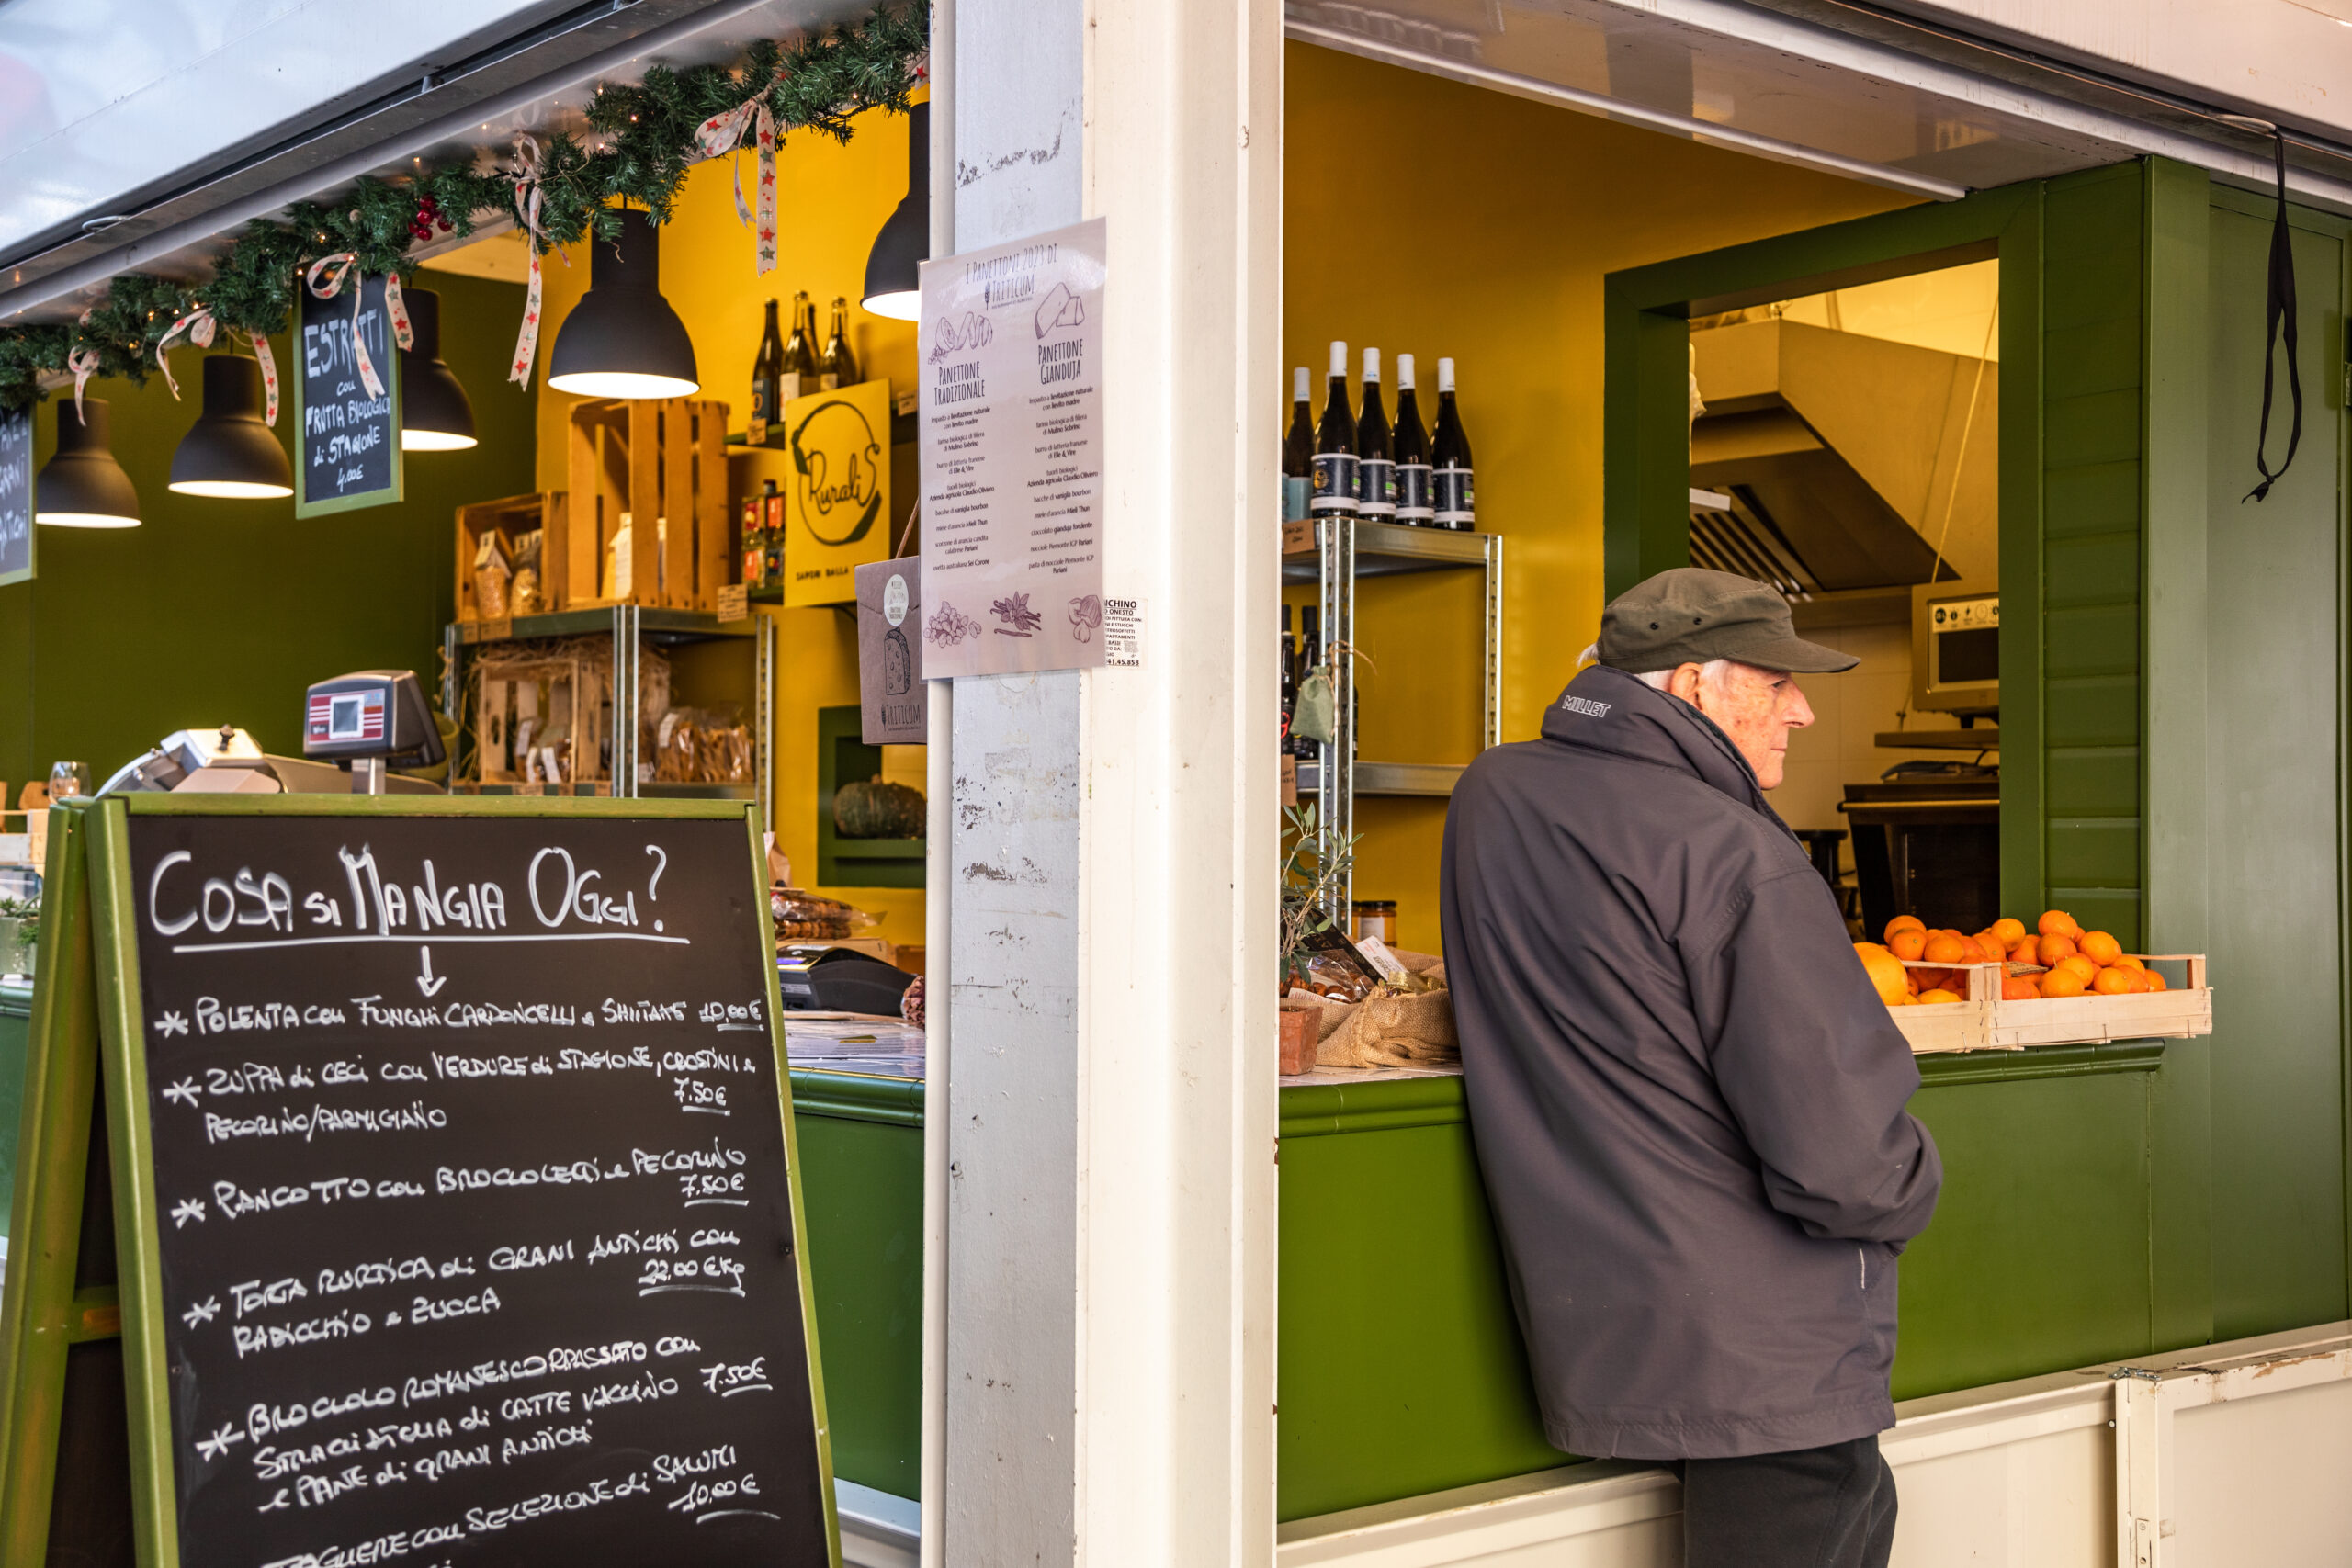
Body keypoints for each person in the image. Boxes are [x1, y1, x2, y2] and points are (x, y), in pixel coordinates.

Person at [1438, 568, 1941, 1568]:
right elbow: (1844, 1165)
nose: (1800, 707)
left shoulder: (1493, 796)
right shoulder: (1732, 853)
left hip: (1598, 1320)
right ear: (1694, 684)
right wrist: (1914, 1181)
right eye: (1774, 680)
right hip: (1769, 1366)